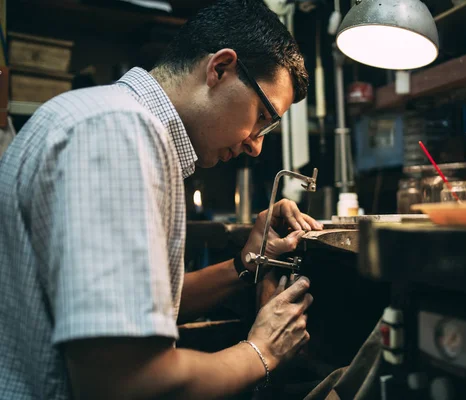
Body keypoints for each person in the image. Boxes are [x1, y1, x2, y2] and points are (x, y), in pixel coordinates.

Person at [0, 0, 323, 398]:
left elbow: (137, 308)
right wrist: (262, 351)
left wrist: (246, 262)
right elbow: (126, 380)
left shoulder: (106, 119)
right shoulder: (120, 132)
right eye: (261, 117)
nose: (256, 146)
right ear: (220, 68)